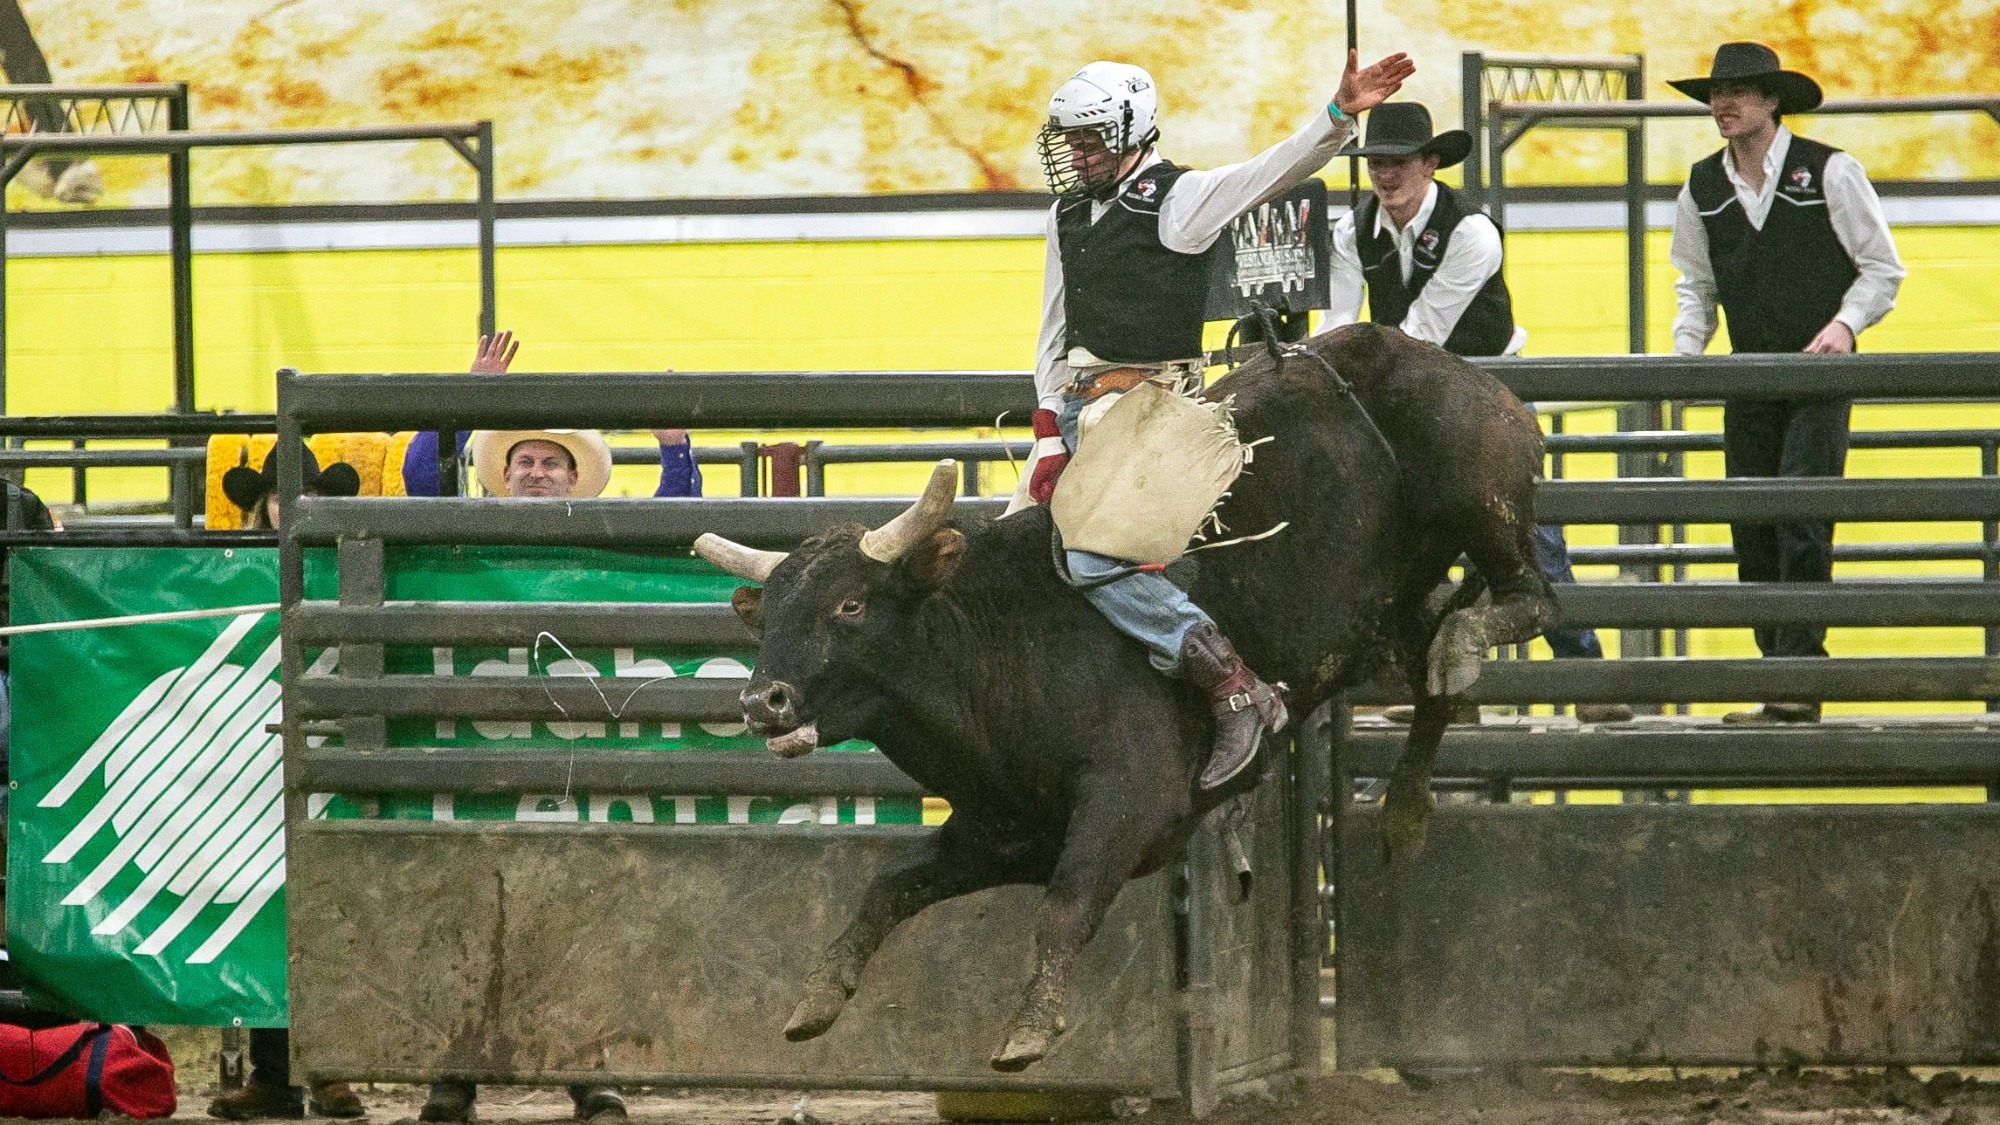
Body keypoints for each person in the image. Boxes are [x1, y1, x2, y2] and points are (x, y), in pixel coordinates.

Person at [1021, 49, 1414, 789]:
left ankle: (1232, 682)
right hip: (1081, 409)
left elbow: (1267, 172)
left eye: (1090, 138)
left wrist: (1335, 118)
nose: (1076, 153)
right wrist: (1048, 434)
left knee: (1089, 557)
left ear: (1132, 131)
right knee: (1018, 556)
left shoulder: (1178, 200)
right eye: (1071, 140)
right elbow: (1051, 335)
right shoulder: (1065, 213)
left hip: (1157, 409)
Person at [1324, 102, 1631, 725]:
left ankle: (1587, 678)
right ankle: (1445, 696)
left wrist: (1351, 373)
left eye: (1399, 163)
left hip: (1488, 396)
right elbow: (1338, 322)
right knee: (1422, 545)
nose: (1386, 176)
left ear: (1430, 164)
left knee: (1529, 540)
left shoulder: (1470, 232)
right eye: (1377, 164)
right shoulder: (1353, 231)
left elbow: (1423, 333)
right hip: (1413, 398)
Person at [1667, 42, 1905, 725]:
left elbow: (1881, 268)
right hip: (1747, 380)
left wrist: (1845, 326)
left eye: (1739, 91)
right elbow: (1696, 285)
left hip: (1816, 375)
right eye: (1717, 93)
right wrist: (1685, 356)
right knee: (1753, 532)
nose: (1723, 103)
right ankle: (1782, 679)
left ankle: (1795, 682)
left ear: (1773, 100)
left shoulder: (1831, 170)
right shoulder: (1702, 186)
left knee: (1802, 519)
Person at [402, 331, 701, 499]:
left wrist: (674, 445)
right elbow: (421, 479)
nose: (536, 473)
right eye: (525, 462)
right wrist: (468, 402)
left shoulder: (595, 533)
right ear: (506, 475)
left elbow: (674, 526)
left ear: (573, 477)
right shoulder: (480, 527)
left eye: (551, 463)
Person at [219, 444, 362, 530]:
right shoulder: (246, 560)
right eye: (280, 499)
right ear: (264, 509)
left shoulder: (340, 555)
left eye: (305, 496)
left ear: (321, 501)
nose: (292, 509)